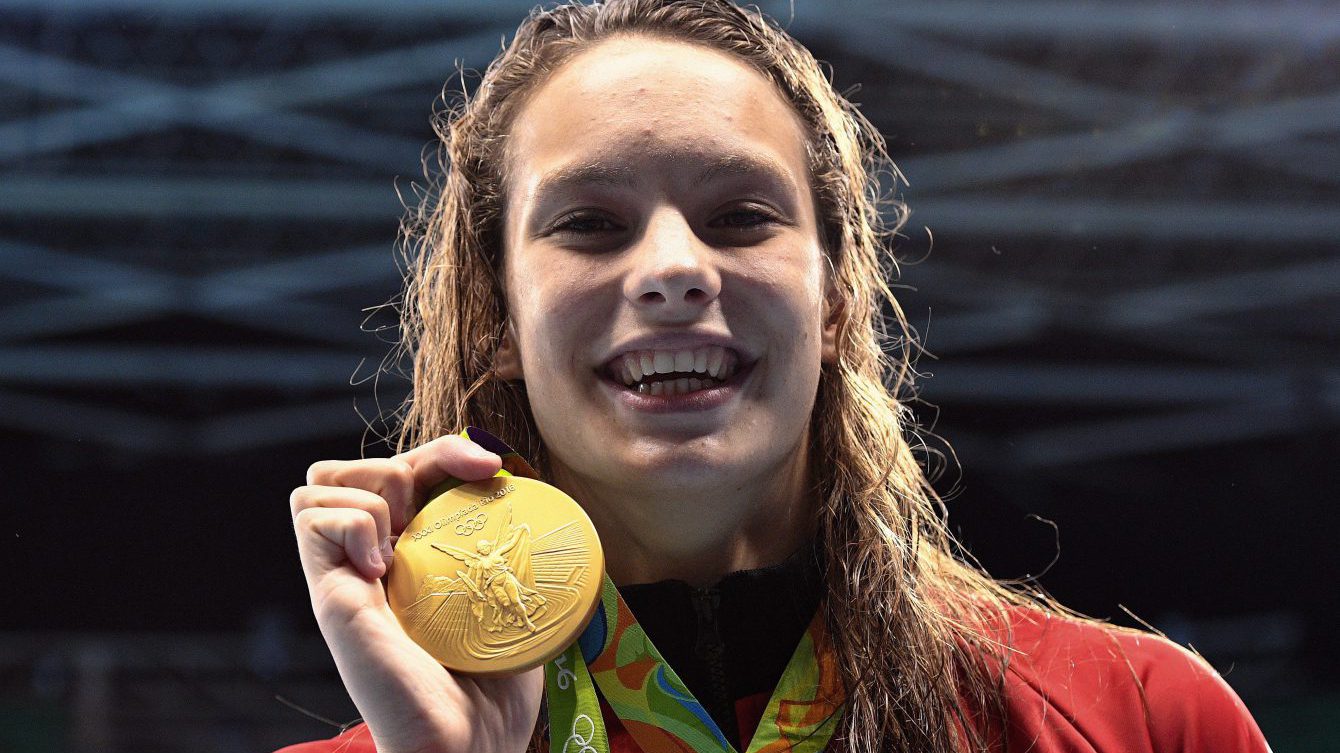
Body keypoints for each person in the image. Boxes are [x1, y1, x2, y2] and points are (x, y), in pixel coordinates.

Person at [280, 1, 1272, 752]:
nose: (672, 269)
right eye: (588, 224)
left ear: (834, 299)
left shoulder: (1139, 719)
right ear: (498, 316)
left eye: (739, 216)